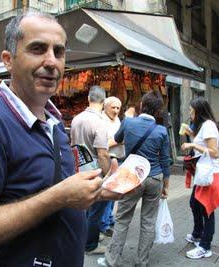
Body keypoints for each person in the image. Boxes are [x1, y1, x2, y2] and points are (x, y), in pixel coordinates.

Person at [0, 12, 121, 267]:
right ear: (8, 60)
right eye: (37, 49)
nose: (51, 61)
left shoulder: (55, 123)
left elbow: (59, 192)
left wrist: (98, 192)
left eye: (59, 52)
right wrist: (59, 196)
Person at [99, 92, 170, 267]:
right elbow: (166, 160)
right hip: (154, 177)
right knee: (148, 221)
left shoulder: (128, 122)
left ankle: (112, 260)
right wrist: (165, 185)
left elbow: (115, 140)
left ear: (141, 104)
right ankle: (142, 261)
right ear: (158, 110)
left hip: (131, 177)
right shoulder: (161, 131)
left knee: (122, 219)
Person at [180, 97, 219, 259]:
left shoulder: (209, 126)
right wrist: (191, 134)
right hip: (202, 173)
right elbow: (203, 145)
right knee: (195, 203)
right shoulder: (204, 126)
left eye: (191, 112)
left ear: (199, 112)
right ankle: (198, 234)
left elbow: (214, 152)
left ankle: (205, 246)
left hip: (209, 173)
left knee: (207, 209)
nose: (190, 115)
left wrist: (192, 145)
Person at [70, 85, 111, 255]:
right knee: (96, 210)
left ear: (88, 98)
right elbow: (102, 154)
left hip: (79, 169)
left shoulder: (76, 119)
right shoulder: (100, 122)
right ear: (103, 101)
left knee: (84, 208)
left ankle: (84, 237)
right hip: (95, 172)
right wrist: (108, 174)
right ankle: (90, 245)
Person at [100, 96, 124, 237]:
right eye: (113, 107)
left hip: (118, 159)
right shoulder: (101, 121)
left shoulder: (117, 119)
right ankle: (104, 224)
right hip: (108, 162)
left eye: (118, 108)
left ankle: (109, 218)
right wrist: (120, 141)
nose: (115, 111)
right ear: (105, 107)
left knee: (113, 193)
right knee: (106, 193)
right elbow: (104, 144)